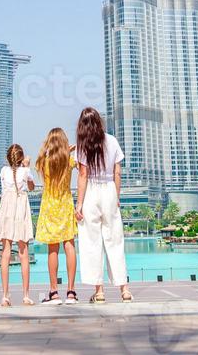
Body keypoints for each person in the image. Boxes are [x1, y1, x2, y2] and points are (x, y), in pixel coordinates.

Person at [75, 107, 132, 303]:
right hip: (109, 189)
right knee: (115, 240)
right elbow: (117, 173)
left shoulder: (82, 145)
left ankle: (99, 291)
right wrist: (116, 196)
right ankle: (124, 289)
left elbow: (83, 175)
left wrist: (79, 204)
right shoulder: (112, 140)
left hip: (91, 190)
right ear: (99, 121)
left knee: (92, 243)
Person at [35, 127, 79, 305]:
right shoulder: (69, 161)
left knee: (52, 250)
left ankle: (54, 293)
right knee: (69, 246)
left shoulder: (43, 162)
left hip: (49, 207)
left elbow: (41, 158)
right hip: (65, 205)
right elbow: (83, 166)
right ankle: (71, 292)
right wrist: (67, 151)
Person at [0, 143, 36, 308]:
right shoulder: (26, 171)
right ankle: (25, 295)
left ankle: (5, 295)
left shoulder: (3, 171)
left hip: (6, 209)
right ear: (22, 157)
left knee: (5, 253)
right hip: (20, 208)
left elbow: (5, 187)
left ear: (8, 159)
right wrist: (27, 166)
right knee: (24, 253)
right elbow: (31, 187)